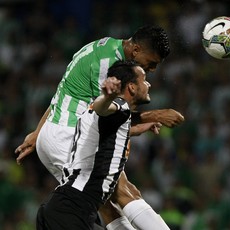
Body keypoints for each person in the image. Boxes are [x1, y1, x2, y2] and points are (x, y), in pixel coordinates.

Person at [15, 25, 184, 229]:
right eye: (151, 63)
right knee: (124, 191)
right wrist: (157, 114)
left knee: (101, 201)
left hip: (55, 133)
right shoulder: (109, 67)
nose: (153, 70)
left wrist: (38, 133)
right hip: (67, 135)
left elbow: (64, 91)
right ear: (136, 50)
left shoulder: (103, 46)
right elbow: (104, 112)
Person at [36, 60, 169, 230]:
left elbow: (101, 133)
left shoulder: (96, 114)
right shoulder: (118, 106)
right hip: (72, 210)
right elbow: (103, 108)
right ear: (132, 87)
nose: (148, 83)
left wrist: (135, 129)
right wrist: (107, 97)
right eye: (143, 80)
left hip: (65, 207)